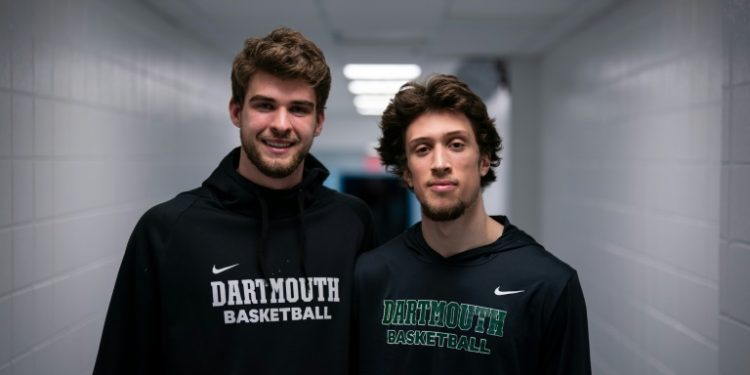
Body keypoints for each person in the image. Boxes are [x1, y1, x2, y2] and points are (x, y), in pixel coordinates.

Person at [94, 27, 374, 375]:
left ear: (319, 122)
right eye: (265, 105)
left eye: (298, 109)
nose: (281, 124)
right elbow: (123, 362)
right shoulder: (167, 231)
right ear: (236, 112)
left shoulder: (351, 222)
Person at [354, 74, 590, 374]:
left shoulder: (547, 284)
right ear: (407, 172)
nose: (439, 163)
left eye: (455, 144)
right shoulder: (370, 276)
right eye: (422, 149)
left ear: (483, 160)